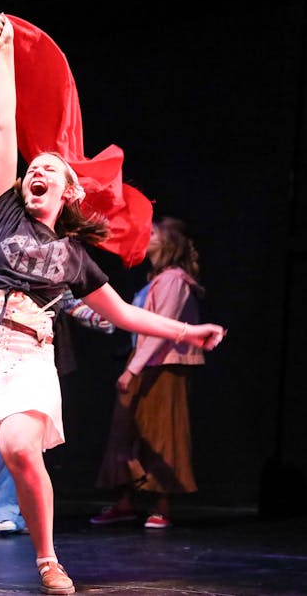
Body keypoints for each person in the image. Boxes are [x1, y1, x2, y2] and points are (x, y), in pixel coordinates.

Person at [0, 13, 225, 596]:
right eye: (34, 168)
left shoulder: (76, 258)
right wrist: (5, 52)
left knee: (19, 449)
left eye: (49, 169)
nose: (37, 171)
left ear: (68, 190)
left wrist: (190, 332)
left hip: (30, 354)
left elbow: (126, 316)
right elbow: (5, 127)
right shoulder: (3, 212)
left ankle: (48, 559)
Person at [0, 261, 115, 535]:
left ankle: (21, 509)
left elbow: (69, 301)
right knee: (4, 432)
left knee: (29, 439)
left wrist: (103, 315)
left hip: (35, 358)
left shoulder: (49, 263)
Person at [90, 217, 207, 530]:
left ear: (170, 242)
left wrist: (131, 369)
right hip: (143, 360)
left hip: (165, 364)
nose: (146, 235)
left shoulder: (175, 280)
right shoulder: (156, 279)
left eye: (153, 232)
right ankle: (125, 502)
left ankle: (162, 505)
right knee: (124, 432)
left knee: (162, 433)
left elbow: (161, 332)